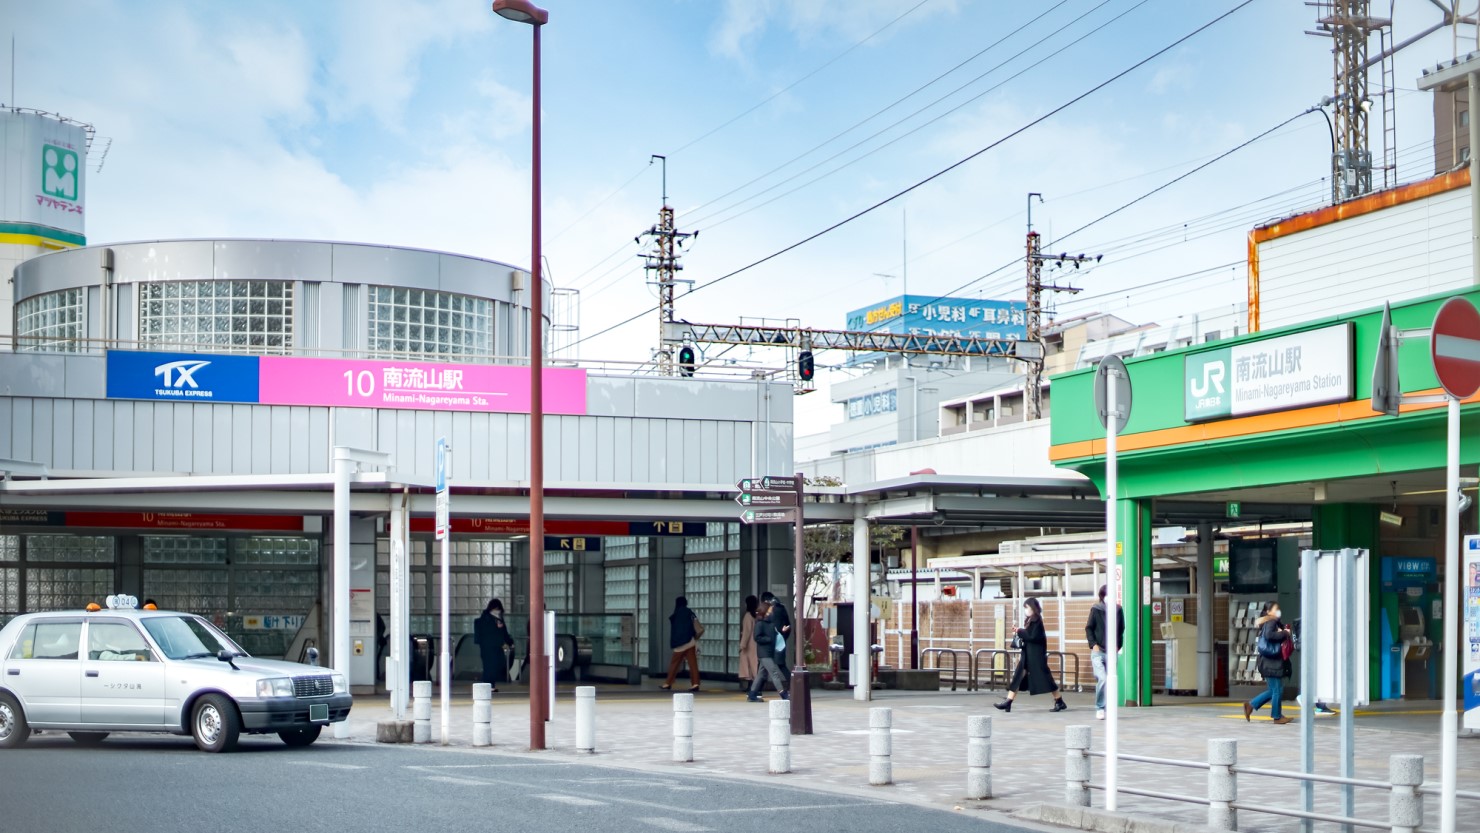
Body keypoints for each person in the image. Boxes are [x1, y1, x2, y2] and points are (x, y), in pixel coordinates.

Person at [995, 597, 1068, 713]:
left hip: (1036, 657)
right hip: (1029, 655)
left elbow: (1032, 636)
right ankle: (1008, 702)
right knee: (1017, 677)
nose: (1025, 610)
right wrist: (1020, 631)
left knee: (1046, 679)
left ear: (1033, 608)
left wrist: (1019, 631)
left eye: (1027, 607)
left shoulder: (1037, 620)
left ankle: (1059, 701)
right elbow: (1029, 636)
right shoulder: (1031, 620)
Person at [1243, 602, 1292, 724]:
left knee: (1273, 690)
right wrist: (1285, 633)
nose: (1278, 611)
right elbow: (1269, 635)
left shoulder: (1268, 622)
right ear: (1269, 611)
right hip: (1272, 663)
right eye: (1275, 609)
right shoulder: (1271, 621)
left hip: (1268, 662)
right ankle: (1277, 716)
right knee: (1277, 690)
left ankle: (1250, 705)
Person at [1085, 584, 1125, 721]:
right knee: (1102, 678)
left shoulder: (1118, 610)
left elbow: (1121, 630)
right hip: (1098, 651)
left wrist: (1118, 646)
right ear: (1102, 596)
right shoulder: (1096, 609)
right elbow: (1089, 628)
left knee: (1109, 681)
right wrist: (1093, 645)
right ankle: (1100, 708)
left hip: (1111, 651)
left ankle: (1108, 707)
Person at [747, 600, 789, 702]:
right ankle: (783, 694)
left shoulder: (770, 623)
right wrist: (769, 639)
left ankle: (752, 694)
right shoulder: (760, 624)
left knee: (761, 674)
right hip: (764, 653)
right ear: (765, 610)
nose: (771, 611)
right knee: (774, 672)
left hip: (770, 652)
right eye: (770, 609)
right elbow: (757, 638)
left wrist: (782, 632)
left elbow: (775, 635)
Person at [660, 596, 703, 692]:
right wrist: (695, 637)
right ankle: (695, 683)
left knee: (674, 664)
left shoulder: (675, 614)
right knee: (693, 664)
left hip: (679, 644)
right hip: (690, 642)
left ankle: (668, 683)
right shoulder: (690, 613)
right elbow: (698, 627)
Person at [473, 598, 515, 692]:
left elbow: (504, 633)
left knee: (492, 665)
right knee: (490, 666)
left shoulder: (495, 619)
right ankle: (489, 685)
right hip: (489, 647)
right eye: (496, 609)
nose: (497, 611)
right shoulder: (490, 619)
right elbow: (501, 633)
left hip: (492, 647)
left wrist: (509, 642)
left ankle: (489, 685)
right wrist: (509, 642)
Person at [761, 591, 792, 672]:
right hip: (780, 642)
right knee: (778, 665)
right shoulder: (781, 608)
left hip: (771, 644)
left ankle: (792, 683)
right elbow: (788, 626)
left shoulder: (771, 611)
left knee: (767, 667)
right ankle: (792, 683)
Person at [738, 595, 759, 691]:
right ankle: (753, 686)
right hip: (756, 643)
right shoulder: (757, 615)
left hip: (749, 644)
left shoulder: (747, 616)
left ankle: (752, 686)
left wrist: (742, 645)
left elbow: (746, 632)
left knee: (748, 666)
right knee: (754, 665)